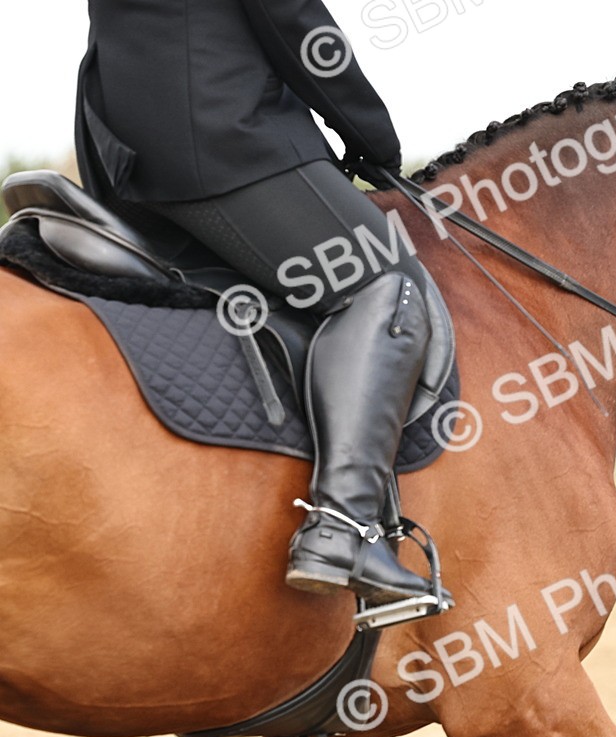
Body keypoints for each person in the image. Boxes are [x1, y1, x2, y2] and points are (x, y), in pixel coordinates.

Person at [74, 0, 444, 604]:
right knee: (384, 285)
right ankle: (343, 527)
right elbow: (291, 17)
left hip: (120, 144)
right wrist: (371, 137)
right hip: (221, 134)